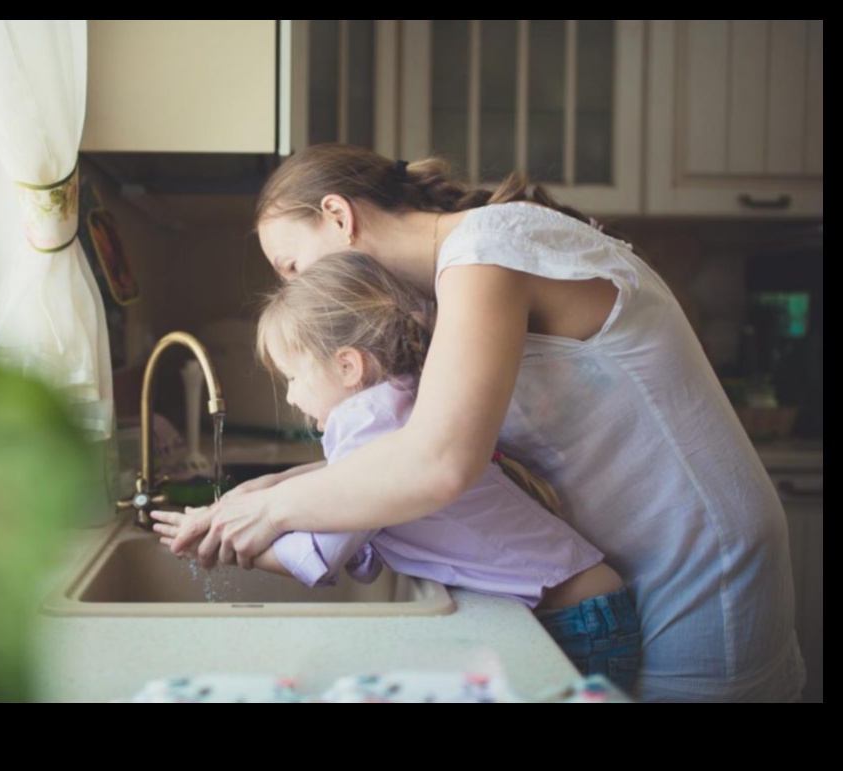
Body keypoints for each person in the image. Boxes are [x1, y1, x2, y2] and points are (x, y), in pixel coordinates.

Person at [165, 144, 805, 703]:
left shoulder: (486, 251)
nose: (302, 292)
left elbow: (440, 462)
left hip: (700, 563)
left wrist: (275, 513)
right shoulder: (458, 279)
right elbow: (414, 442)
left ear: (339, 215)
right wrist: (270, 490)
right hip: (644, 563)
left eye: (294, 268)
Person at [154, 251, 641, 691]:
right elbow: (339, 489)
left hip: (574, 621)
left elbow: (318, 551)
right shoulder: (400, 401)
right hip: (584, 606)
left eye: (293, 376)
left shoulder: (365, 424)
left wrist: (215, 541)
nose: (291, 397)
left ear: (348, 367)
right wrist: (260, 492)